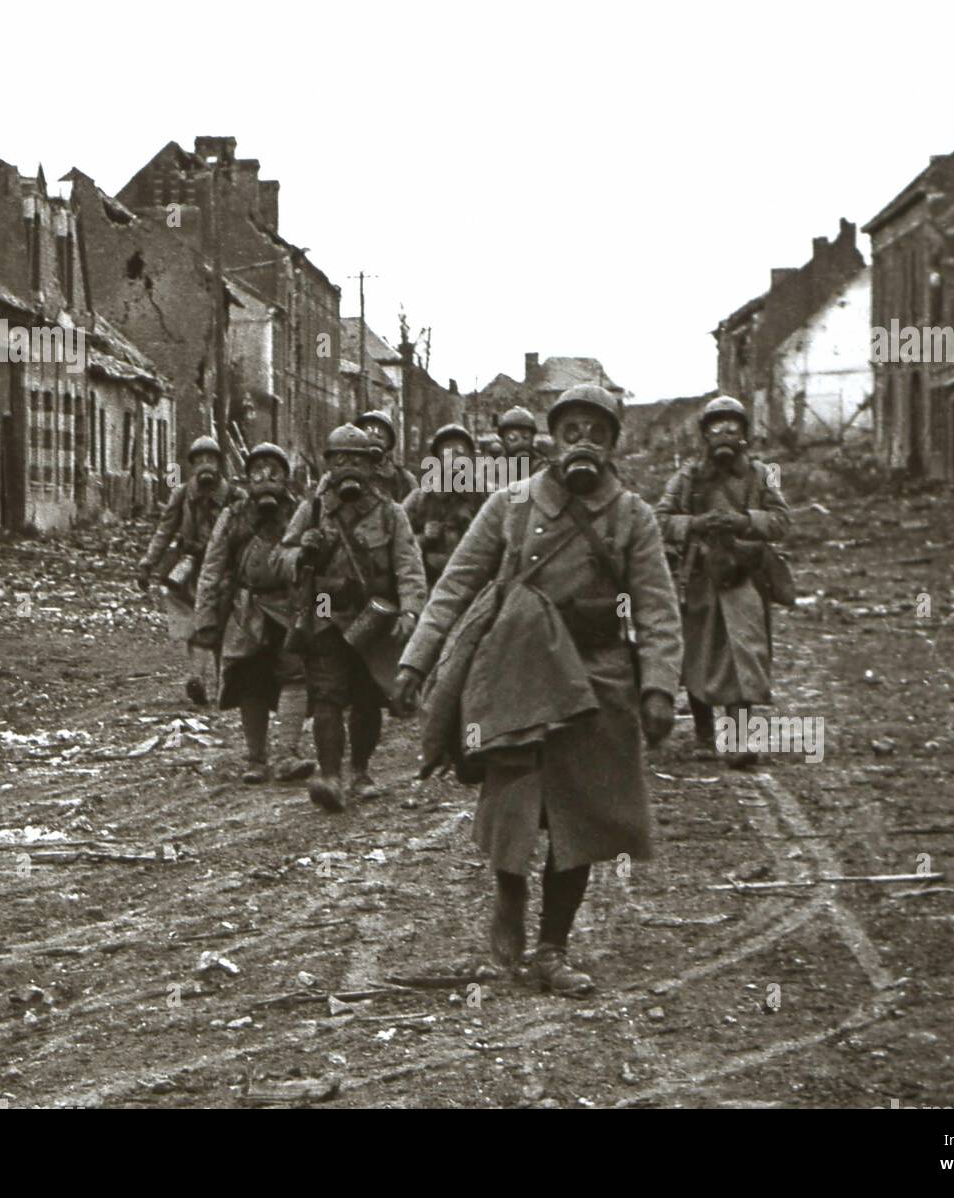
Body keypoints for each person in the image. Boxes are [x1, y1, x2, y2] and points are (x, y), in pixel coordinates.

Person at [395, 385, 682, 995]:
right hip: (517, 674)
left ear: (612, 443)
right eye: (572, 429)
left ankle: (553, 947)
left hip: (596, 677)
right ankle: (507, 913)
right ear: (554, 436)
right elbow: (453, 586)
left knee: (579, 817)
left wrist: (658, 688)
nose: (584, 442)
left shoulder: (633, 515)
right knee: (513, 803)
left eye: (597, 432)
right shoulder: (512, 503)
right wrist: (415, 663)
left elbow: (657, 608)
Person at [281, 424, 428, 812]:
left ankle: (360, 772)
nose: (349, 467)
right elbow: (279, 559)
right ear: (328, 464)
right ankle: (330, 775)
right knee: (326, 692)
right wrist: (302, 554)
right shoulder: (312, 510)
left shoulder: (390, 514)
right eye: (340, 459)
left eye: (358, 460)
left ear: (373, 465)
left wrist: (411, 610)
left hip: (373, 616)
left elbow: (409, 566)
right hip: (327, 610)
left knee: (366, 697)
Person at [654, 395, 790, 769]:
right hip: (698, 577)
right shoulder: (687, 476)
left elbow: (782, 520)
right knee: (698, 655)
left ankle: (741, 740)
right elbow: (659, 518)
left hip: (745, 576)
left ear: (745, 434)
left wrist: (745, 521)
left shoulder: (764, 473)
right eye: (717, 428)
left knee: (742, 655)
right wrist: (695, 525)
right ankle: (703, 735)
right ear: (705, 435)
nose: (725, 435)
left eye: (733, 428)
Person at [192, 443, 316, 785]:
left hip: (290, 608)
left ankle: (287, 753)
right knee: (250, 682)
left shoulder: (300, 513)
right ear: (247, 478)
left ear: (285, 478)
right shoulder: (234, 516)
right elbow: (212, 567)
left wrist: (324, 613)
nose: (266, 477)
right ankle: (256, 759)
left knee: (295, 675)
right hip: (246, 611)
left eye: (274, 470)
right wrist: (205, 619)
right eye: (258, 470)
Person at [138, 435, 246, 705]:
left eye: (210, 459)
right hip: (191, 568)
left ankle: (224, 687)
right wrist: (147, 563)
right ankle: (197, 678)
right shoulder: (183, 494)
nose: (205, 466)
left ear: (220, 464)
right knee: (195, 625)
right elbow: (165, 530)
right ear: (192, 466)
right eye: (199, 461)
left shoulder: (236, 496)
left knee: (224, 626)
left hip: (226, 571)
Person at [404, 422, 481, 587]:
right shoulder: (420, 498)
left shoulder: (485, 496)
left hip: (473, 583)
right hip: (430, 583)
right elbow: (398, 545)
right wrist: (423, 538)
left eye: (460, 453)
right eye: (447, 453)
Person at [354, 409, 419, 503]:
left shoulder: (403, 479)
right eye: (368, 430)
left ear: (389, 442)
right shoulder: (348, 472)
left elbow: (415, 509)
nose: (374, 435)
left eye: (380, 434)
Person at [496, 405, 544, 482]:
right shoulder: (495, 470)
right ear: (503, 440)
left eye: (525, 437)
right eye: (512, 438)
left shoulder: (543, 469)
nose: (520, 443)